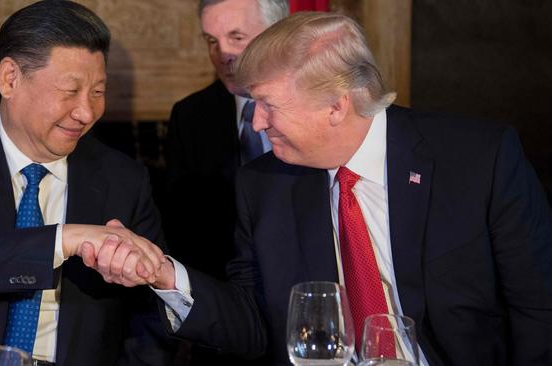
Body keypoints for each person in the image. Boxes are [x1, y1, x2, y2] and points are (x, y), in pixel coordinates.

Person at [103, 12, 552, 365]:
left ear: (336, 107)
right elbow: (254, 323)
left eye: (267, 105)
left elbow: (539, 311)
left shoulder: (480, 160)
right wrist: (164, 273)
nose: (256, 122)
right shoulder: (264, 185)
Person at [0, 2, 173, 365]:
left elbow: (151, 316)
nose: (87, 113)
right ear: (10, 79)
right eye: (70, 90)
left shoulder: (124, 179)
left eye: (97, 92)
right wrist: (67, 238)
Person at [163, 0, 289, 282]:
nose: (223, 54)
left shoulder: (314, 106)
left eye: (237, 37)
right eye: (211, 40)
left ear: (277, 33)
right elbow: (182, 227)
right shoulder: (189, 116)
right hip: (222, 283)